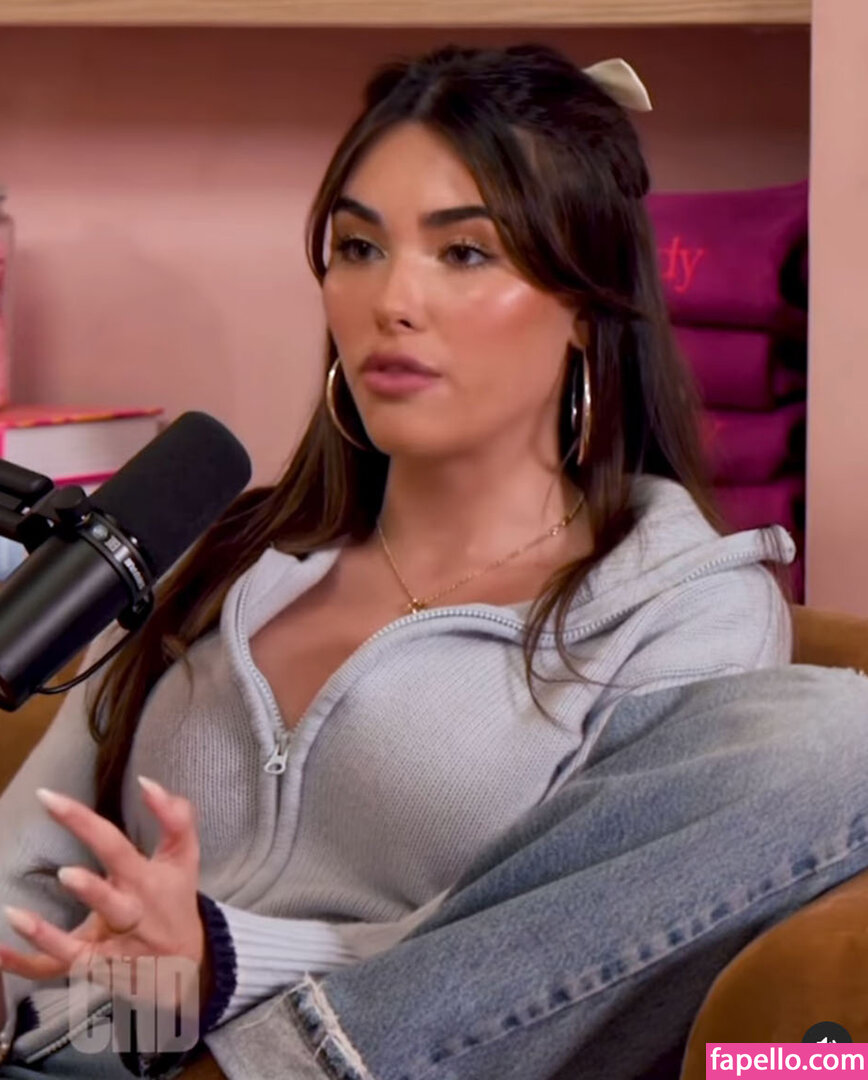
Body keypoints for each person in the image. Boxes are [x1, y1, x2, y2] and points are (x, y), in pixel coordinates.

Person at [1, 41, 867, 1080]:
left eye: (463, 253)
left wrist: (228, 964)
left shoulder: (679, 612)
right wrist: (137, 991)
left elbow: (564, 965)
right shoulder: (225, 552)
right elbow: (32, 878)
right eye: (359, 247)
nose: (391, 301)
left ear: (585, 308)